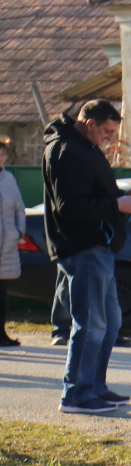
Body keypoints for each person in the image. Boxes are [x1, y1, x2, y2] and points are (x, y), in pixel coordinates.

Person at [43, 100, 131, 412]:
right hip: (83, 247)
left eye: (113, 132)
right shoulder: (67, 151)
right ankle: (76, 394)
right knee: (91, 324)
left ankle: (94, 387)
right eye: (106, 131)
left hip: (99, 247)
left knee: (110, 323)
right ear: (89, 123)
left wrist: (123, 200)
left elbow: (95, 193)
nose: (110, 138)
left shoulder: (83, 148)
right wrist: (118, 205)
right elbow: (70, 207)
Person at [0, 142, 24, 348]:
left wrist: (19, 232)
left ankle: (1, 334)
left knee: (2, 294)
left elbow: (19, 207)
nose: (1, 159)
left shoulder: (9, 179)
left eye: (2, 155)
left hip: (7, 245)